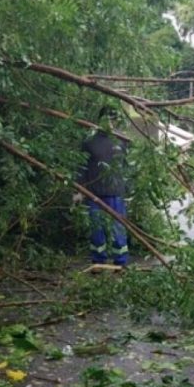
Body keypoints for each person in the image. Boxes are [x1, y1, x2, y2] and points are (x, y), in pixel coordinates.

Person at [79, 107, 130, 267]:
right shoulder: (89, 143)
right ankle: (98, 260)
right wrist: (79, 191)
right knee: (96, 231)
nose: (110, 122)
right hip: (93, 193)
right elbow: (81, 168)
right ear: (99, 120)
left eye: (113, 119)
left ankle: (120, 262)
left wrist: (130, 190)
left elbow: (127, 167)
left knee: (118, 230)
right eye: (106, 118)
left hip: (116, 194)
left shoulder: (122, 142)